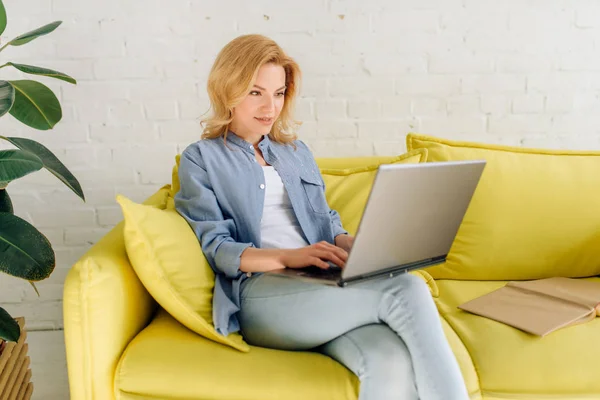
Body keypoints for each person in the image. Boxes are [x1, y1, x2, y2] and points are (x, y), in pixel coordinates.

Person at [174, 34, 469, 400]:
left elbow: (325, 222)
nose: (270, 106)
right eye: (255, 92)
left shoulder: (295, 152)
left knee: (387, 358)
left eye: (279, 93)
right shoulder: (201, 158)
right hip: (261, 293)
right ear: (227, 89)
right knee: (407, 288)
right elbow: (217, 248)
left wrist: (357, 244)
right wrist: (287, 257)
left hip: (320, 282)